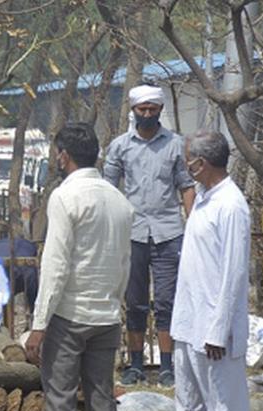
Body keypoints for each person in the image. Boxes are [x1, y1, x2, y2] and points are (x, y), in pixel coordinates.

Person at [19, 123, 133, 411]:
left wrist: (38, 324)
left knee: (62, 408)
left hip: (69, 318)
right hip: (106, 317)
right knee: (103, 409)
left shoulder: (65, 196)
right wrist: (112, 304)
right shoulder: (119, 201)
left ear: (63, 155)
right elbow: (125, 265)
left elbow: (54, 266)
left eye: (56, 154)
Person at [171, 130, 254, 411]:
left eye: (189, 158)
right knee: (189, 405)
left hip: (213, 326)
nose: (185, 164)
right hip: (188, 321)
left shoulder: (231, 206)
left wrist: (218, 330)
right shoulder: (204, 199)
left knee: (225, 403)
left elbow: (234, 274)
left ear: (201, 164)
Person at [103, 84, 196, 388]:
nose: (146, 114)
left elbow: (186, 187)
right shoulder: (120, 146)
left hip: (169, 232)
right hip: (132, 234)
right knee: (135, 302)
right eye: (141, 110)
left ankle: (168, 367)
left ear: (159, 110)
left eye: (152, 109)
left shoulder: (175, 145)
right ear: (133, 111)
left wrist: (193, 226)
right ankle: (135, 364)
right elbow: (108, 189)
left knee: (168, 302)